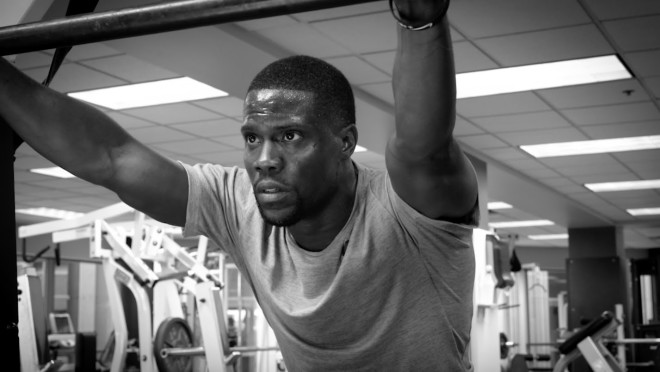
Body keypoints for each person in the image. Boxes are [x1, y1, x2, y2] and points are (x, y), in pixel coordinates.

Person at [1, 0, 479, 370]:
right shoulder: (237, 204)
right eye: (253, 138)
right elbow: (113, 159)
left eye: (290, 136)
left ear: (345, 144)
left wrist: (421, 21)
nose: (264, 161)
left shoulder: (409, 213)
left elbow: (423, 148)